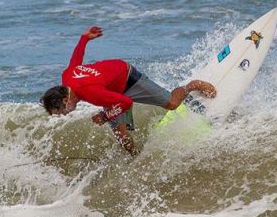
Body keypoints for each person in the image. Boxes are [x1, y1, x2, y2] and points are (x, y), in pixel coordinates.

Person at [40, 26, 216, 156]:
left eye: (61, 111)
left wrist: (105, 116)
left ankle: (191, 86)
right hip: (110, 89)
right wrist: (84, 38)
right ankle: (136, 156)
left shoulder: (90, 92)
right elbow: (76, 59)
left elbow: (126, 102)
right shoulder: (67, 78)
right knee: (120, 135)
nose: (63, 114)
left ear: (65, 101)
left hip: (126, 77)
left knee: (171, 104)